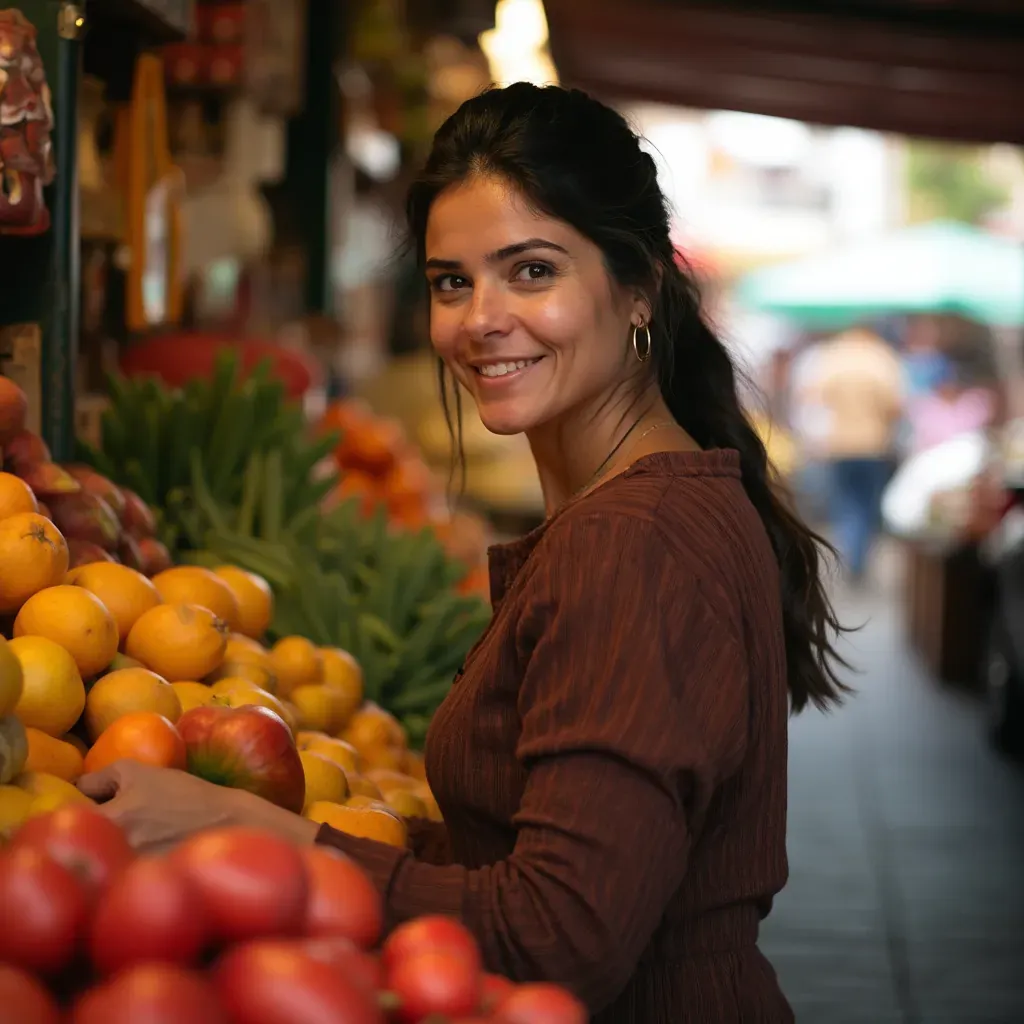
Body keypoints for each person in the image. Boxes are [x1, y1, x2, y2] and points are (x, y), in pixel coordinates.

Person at [76, 84, 849, 1023]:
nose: (481, 317)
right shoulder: (656, 505)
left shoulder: (630, 548)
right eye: (452, 281)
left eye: (531, 271)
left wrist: (258, 832)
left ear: (639, 285)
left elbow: (561, 937)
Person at [800, 325, 904, 582]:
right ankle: (858, 559)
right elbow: (896, 405)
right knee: (867, 505)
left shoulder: (834, 357)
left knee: (845, 503)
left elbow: (813, 398)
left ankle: (851, 555)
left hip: (840, 444)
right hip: (874, 444)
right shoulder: (882, 359)